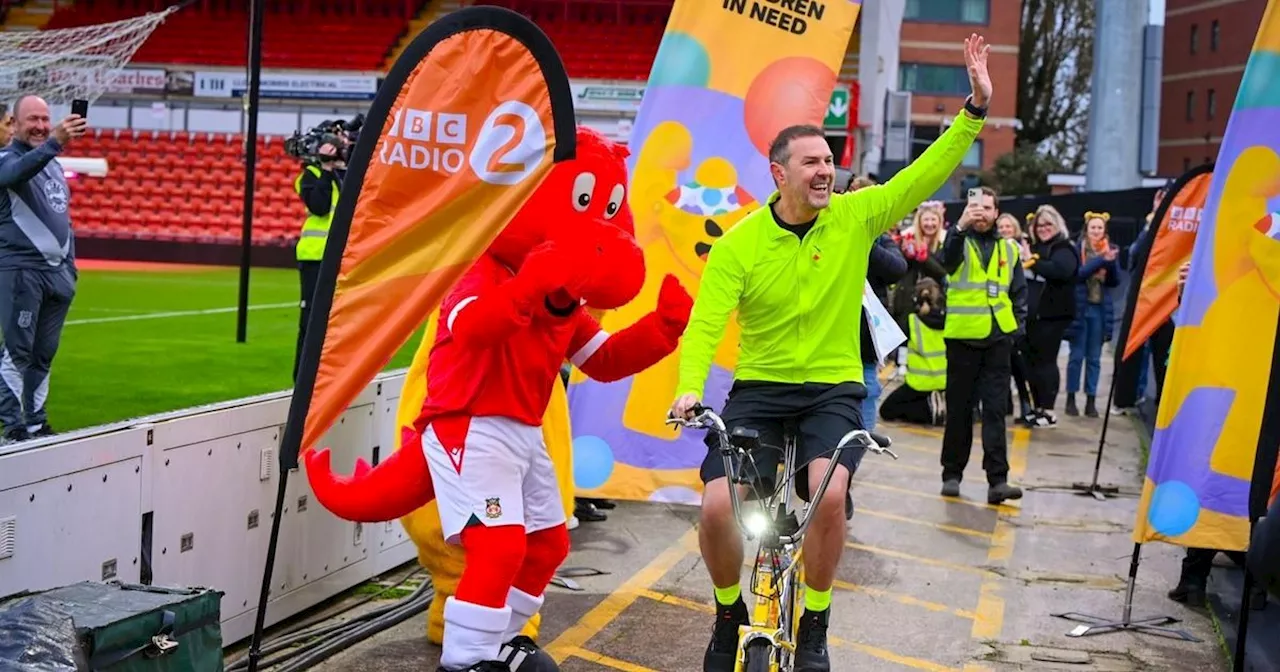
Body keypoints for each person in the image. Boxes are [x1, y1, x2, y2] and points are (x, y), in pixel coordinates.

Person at [670, 34, 993, 672]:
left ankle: (815, 618)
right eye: (811, 162)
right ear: (779, 173)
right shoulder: (739, 244)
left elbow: (922, 175)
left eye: (829, 160)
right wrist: (688, 389)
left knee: (829, 493)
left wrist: (974, 111)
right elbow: (705, 326)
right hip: (759, 390)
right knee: (715, 506)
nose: (826, 171)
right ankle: (728, 610)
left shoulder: (853, 218)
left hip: (832, 389)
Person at [0, 95, 86, 443]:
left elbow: (62, 217)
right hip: (23, 273)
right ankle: (13, 426)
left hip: (57, 276)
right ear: (15, 124)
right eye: (31, 119)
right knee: (16, 352)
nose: (39, 126)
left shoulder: (51, 165)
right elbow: (16, 172)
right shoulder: (7, 158)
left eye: (44, 119)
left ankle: (36, 422)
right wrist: (54, 143)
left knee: (43, 354)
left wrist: (70, 267)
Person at [937, 185, 1027, 504]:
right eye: (976, 208)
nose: (982, 213)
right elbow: (945, 263)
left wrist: (1016, 330)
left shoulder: (1010, 249)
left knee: (995, 412)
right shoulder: (958, 240)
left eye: (988, 208)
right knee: (959, 412)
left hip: (997, 340)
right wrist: (959, 226)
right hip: (962, 338)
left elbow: (1018, 293)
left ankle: (997, 481)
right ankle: (952, 474)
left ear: (997, 213)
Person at [1017, 205, 1078, 427]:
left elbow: (1059, 271)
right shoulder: (1036, 247)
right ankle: (1037, 407)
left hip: (1053, 315)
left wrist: (1032, 260)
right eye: (1039, 225)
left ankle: (1049, 410)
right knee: (1031, 362)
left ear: (1057, 224)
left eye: (1048, 224)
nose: (1043, 229)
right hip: (1034, 316)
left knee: (1046, 363)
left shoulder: (1064, 248)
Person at [292, 138, 346, 382]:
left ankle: (329, 375)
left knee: (338, 318)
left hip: (342, 257)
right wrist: (325, 169)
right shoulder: (310, 175)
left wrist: (340, 167)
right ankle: (303, 377)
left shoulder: (345, 174)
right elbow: (319, 206)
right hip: (315, 256)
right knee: (312, 319)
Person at [1063, 212, 1120, 417]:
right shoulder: (1077, 250)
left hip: (1099, 308)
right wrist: (1100, 262)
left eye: (1100, 228)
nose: (1096, 231)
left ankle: (1091, 400)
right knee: (1076, 356)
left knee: (1094, 358)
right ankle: (1071, 398)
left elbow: (1114, 282)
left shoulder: (1110, 251)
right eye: (1093, 227)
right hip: (1080, 306)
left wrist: (1110, 264)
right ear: (1086, 229)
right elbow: (1077, 275)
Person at [879, 277, 947, 426]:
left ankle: (929, 410)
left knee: (887, 410)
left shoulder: (912, 321)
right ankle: (937, 402)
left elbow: (900, 351)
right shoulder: (948, 319)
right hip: (944, 381)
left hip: (919, 383)